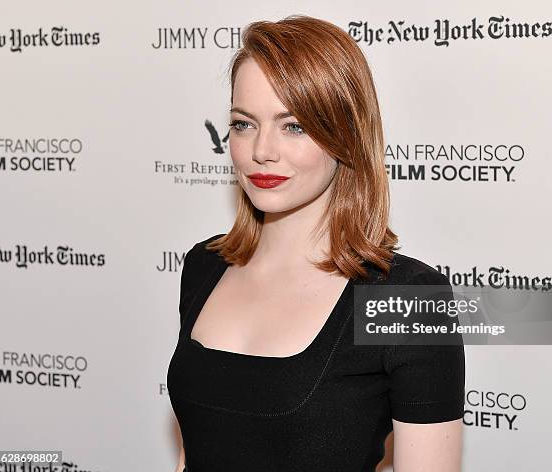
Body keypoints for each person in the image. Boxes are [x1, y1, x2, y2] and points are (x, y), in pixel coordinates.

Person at [167, 14, 465, 472]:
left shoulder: (408, 301)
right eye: (244, 124)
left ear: (344, 134)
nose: (262, 149)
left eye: (295, 126)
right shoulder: (204, 266)